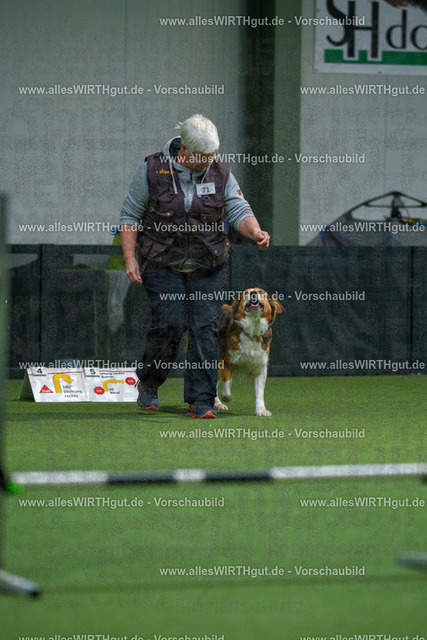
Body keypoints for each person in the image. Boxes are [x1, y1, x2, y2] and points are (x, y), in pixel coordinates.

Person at [120, 114, 270, 418]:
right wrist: (130, 258)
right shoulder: (152, 170)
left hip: (209, 264)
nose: (209, 161)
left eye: (213, 155)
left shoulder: (220, 172)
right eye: (203, 156)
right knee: (170, 322)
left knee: (206, 327)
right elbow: (130, 216)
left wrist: (254, 231)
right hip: (162, 263)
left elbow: (238, 208)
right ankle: (149, 383)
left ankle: (201, 399)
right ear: (184, 149)